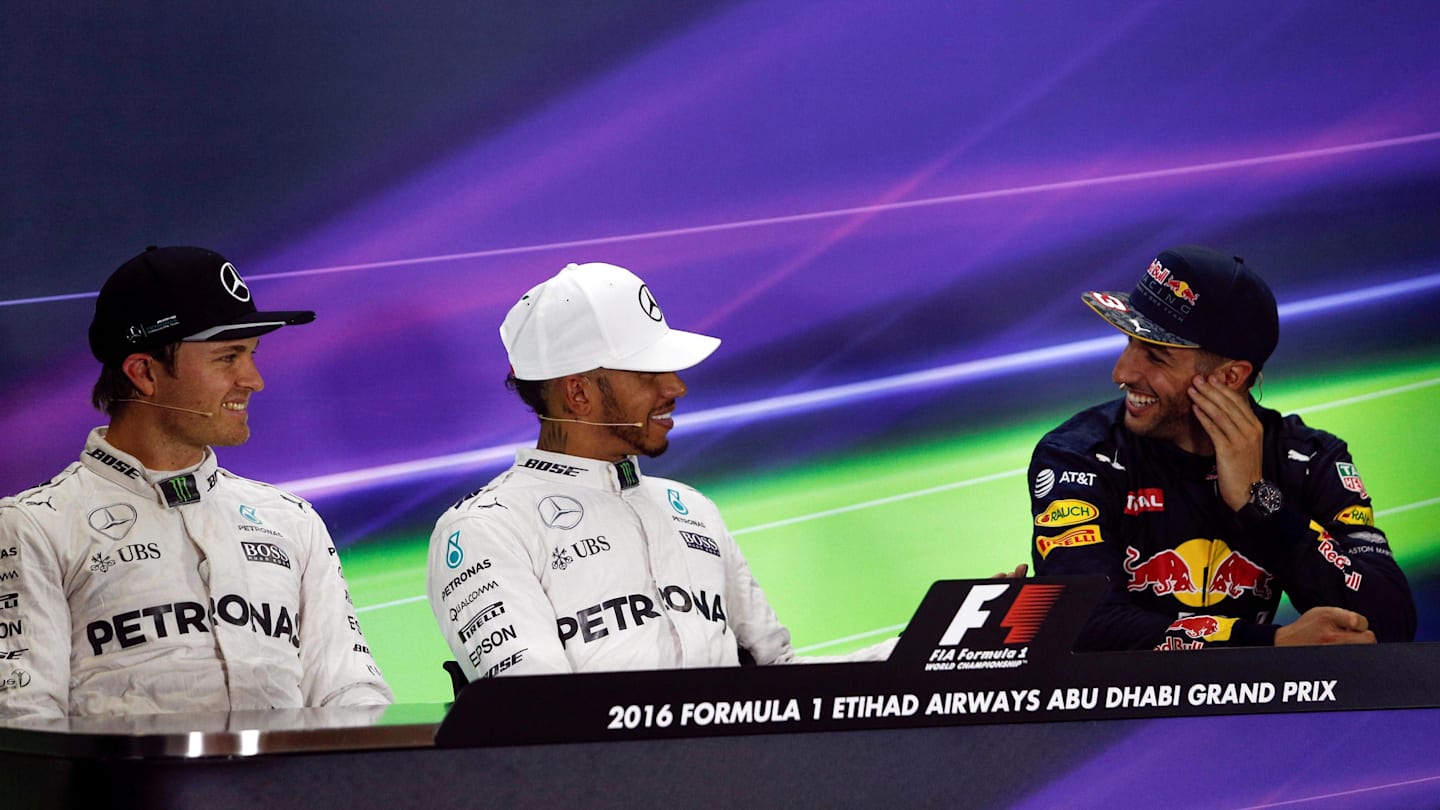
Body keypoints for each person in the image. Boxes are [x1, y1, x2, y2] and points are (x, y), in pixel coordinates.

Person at [428, 262, 894, 680]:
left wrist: (910, 657)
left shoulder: (692, 507)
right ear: (578, 394)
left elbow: (777, 676)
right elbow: (538, 717)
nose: (677, 386)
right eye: (648, 372)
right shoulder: (485, 528)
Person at [0, 246, 392, 721]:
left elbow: (352, 697)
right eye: (227, 358)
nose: (254, 380)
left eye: (251, 355)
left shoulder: (292, 520)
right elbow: (23, 723)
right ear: (143, 373)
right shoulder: (31, 528)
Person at [1029, 245, 1415, 651]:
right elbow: (1085, 622)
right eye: (1128, 344)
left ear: (1230, 376)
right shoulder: (1078, 455)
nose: (1121, 372)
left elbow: (1390, 624)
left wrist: (1261, 503)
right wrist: (1270, 644)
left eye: (1156, 357)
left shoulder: (1309, 460)